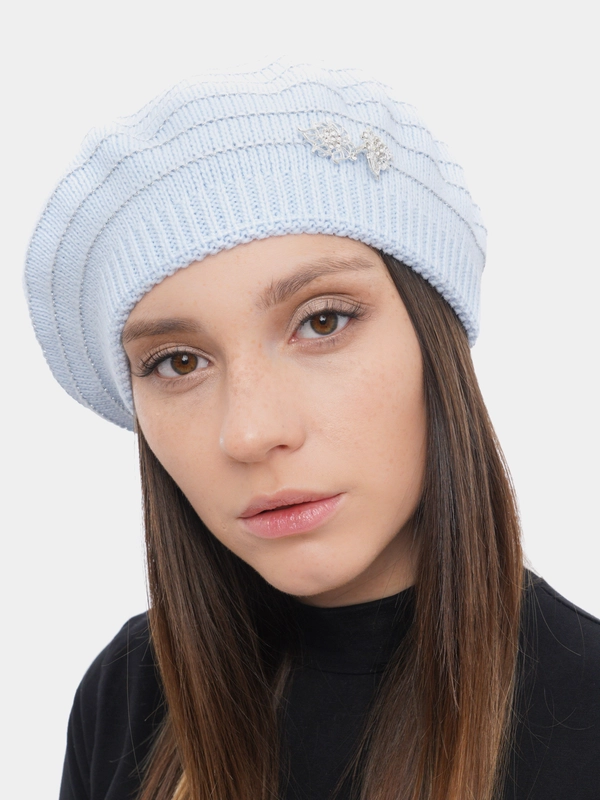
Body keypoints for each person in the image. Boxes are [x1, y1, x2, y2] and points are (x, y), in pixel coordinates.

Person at [24, 61, 599, 800]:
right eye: (177, 362)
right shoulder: (129, 694)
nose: (251, 433)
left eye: (323, 321)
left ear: (436, 340)